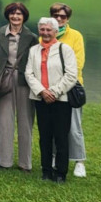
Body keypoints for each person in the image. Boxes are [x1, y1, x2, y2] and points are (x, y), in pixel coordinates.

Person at [0, 2, 37, 172]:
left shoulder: (32, 37)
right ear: (8, 16)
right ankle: (4, 161)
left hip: (24, 82)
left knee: (25, 122)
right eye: (12, 13)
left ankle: (25, 163)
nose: (15, 17)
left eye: (19, 14)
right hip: (3, 82)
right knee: (4, 122)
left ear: (24, 16)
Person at [25, 17, 78, 183]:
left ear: (55, 31)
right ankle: (46, 170)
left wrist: (53, 92)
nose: (45, 33)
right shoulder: (33, 50)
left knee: (61, 137)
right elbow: (29, 73)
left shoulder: (65, 49)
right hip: (40, 99)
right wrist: (42, 91)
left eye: (49, 30)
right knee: (45, 136)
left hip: (61, 100)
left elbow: (71, 75)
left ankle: (61, 172)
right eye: (42, 30)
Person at [50, 2, 86, 177]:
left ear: (67, 18)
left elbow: (78, 64)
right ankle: (56, 156)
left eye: (62, 16)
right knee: (55, 125)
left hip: (71, 88)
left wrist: (61, 84)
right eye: (55, 15)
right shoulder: (45, 35)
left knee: (74, 126)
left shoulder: (75, 36)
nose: (58, 19)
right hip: (50, 89)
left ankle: (79, 161)